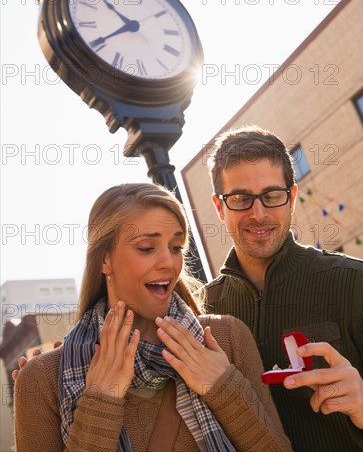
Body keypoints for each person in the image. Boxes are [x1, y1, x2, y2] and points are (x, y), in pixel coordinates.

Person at [14, 182, 292, 452]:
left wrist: (223, 387)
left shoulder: (226, 339)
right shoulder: (42, 379)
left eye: (176, 248)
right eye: (147, 248)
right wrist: (101, 400)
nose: (169, 263)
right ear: (104, 260)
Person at [201, 124, 363, 452]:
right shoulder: (204, 310)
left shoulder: (355, 282)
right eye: (240, 199)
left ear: (291, 198)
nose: (258, 214)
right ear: (220, 207)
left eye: (272, 196)